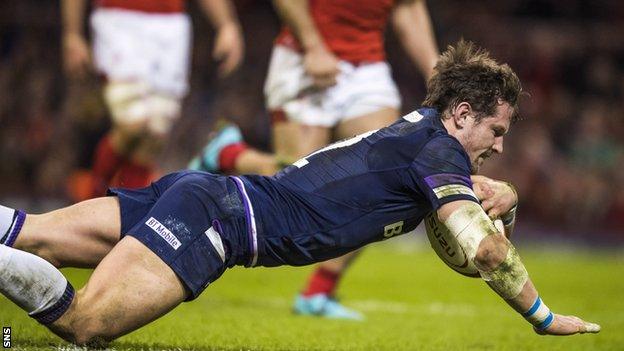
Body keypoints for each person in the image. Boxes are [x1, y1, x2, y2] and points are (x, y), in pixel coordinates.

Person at [0, 41, 600, 347]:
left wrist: (509, 195)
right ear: (463, 113)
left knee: (33, 233)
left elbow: (473, 232)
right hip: (220, 221)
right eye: (497, 130)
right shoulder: (438, 154)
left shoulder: (419, 136)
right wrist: (542, 318)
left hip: (204, 191)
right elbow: (485, 254)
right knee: (83, 328)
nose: (498, 146)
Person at [189, 0, 439, 319]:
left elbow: (408, 8)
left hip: (368, 68)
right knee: (296, 189)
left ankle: (318, 291)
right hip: (303, 55)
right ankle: (229, 154)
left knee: (386, 180)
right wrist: (313, 46)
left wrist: (433, 67)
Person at [61, 0, 244, 199]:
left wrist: (226, 24)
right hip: (119, 19)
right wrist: (72, 32)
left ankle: (125, 216)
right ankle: (91, 201)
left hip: (170, 27)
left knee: (155, 134)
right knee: (134, 125)